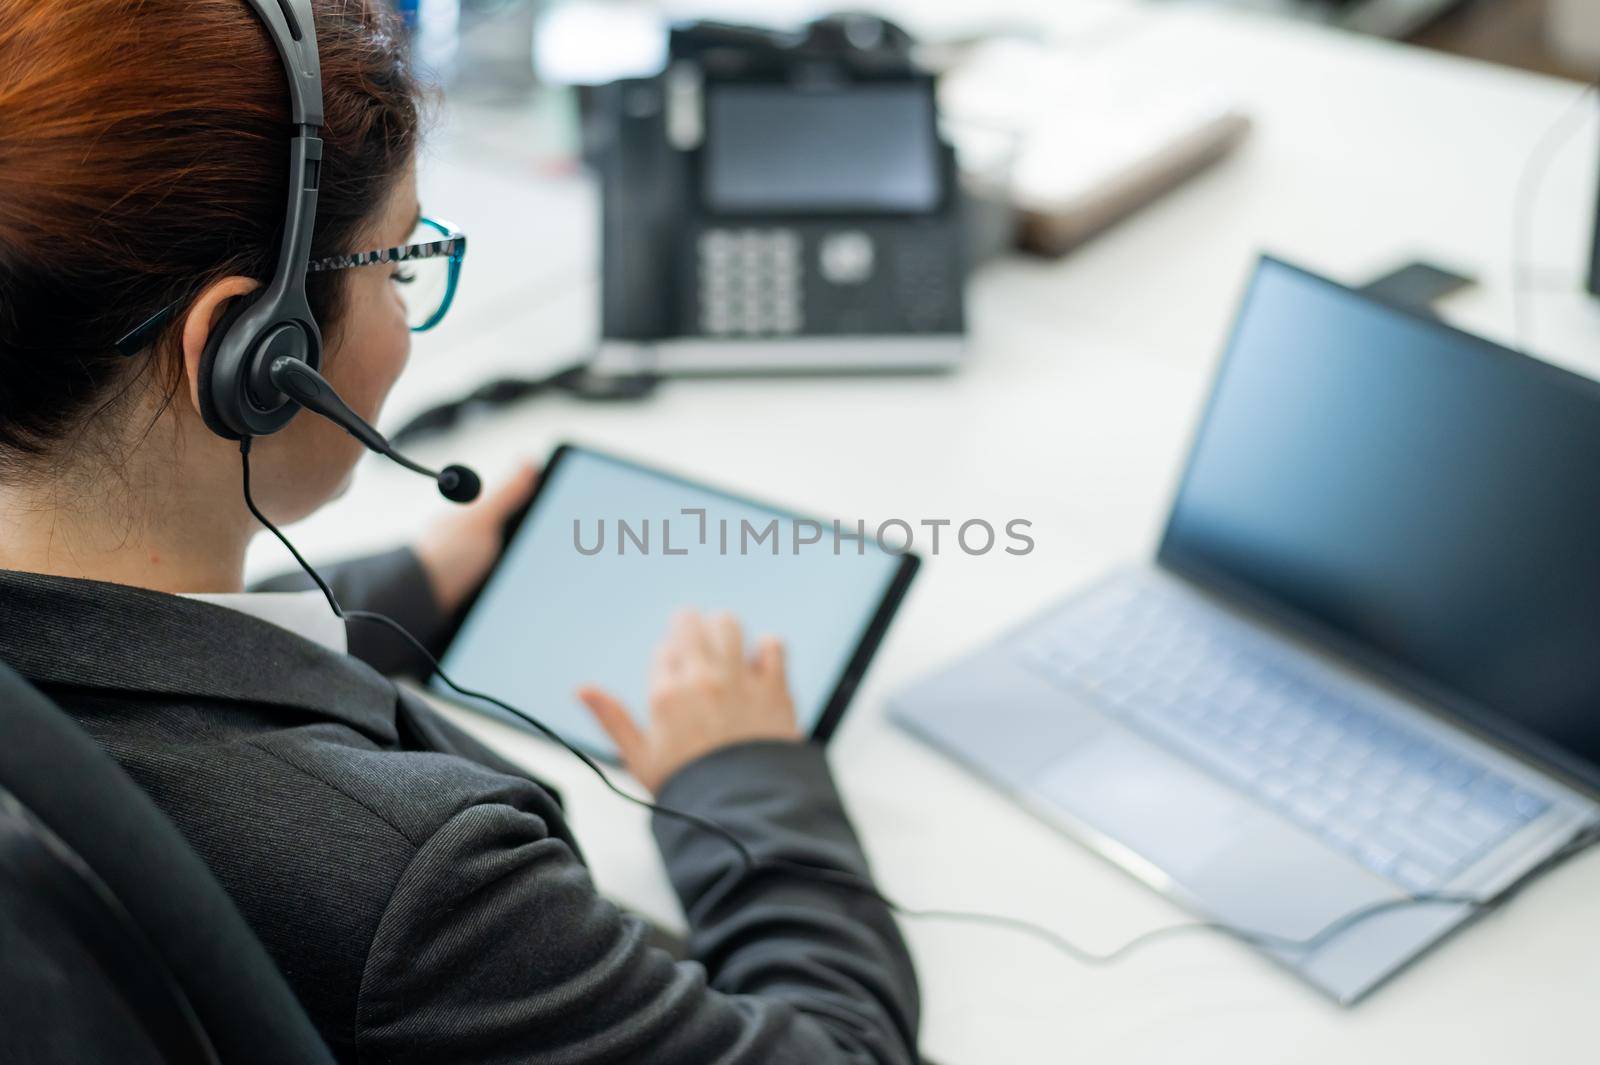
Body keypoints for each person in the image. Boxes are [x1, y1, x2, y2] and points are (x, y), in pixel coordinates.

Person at [0, 2, 920, 1062]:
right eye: (395, 268)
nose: (402, 308)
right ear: (249, 357)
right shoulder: (428, 886)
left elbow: (107, 654)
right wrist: (747, 779)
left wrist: (408, 585)